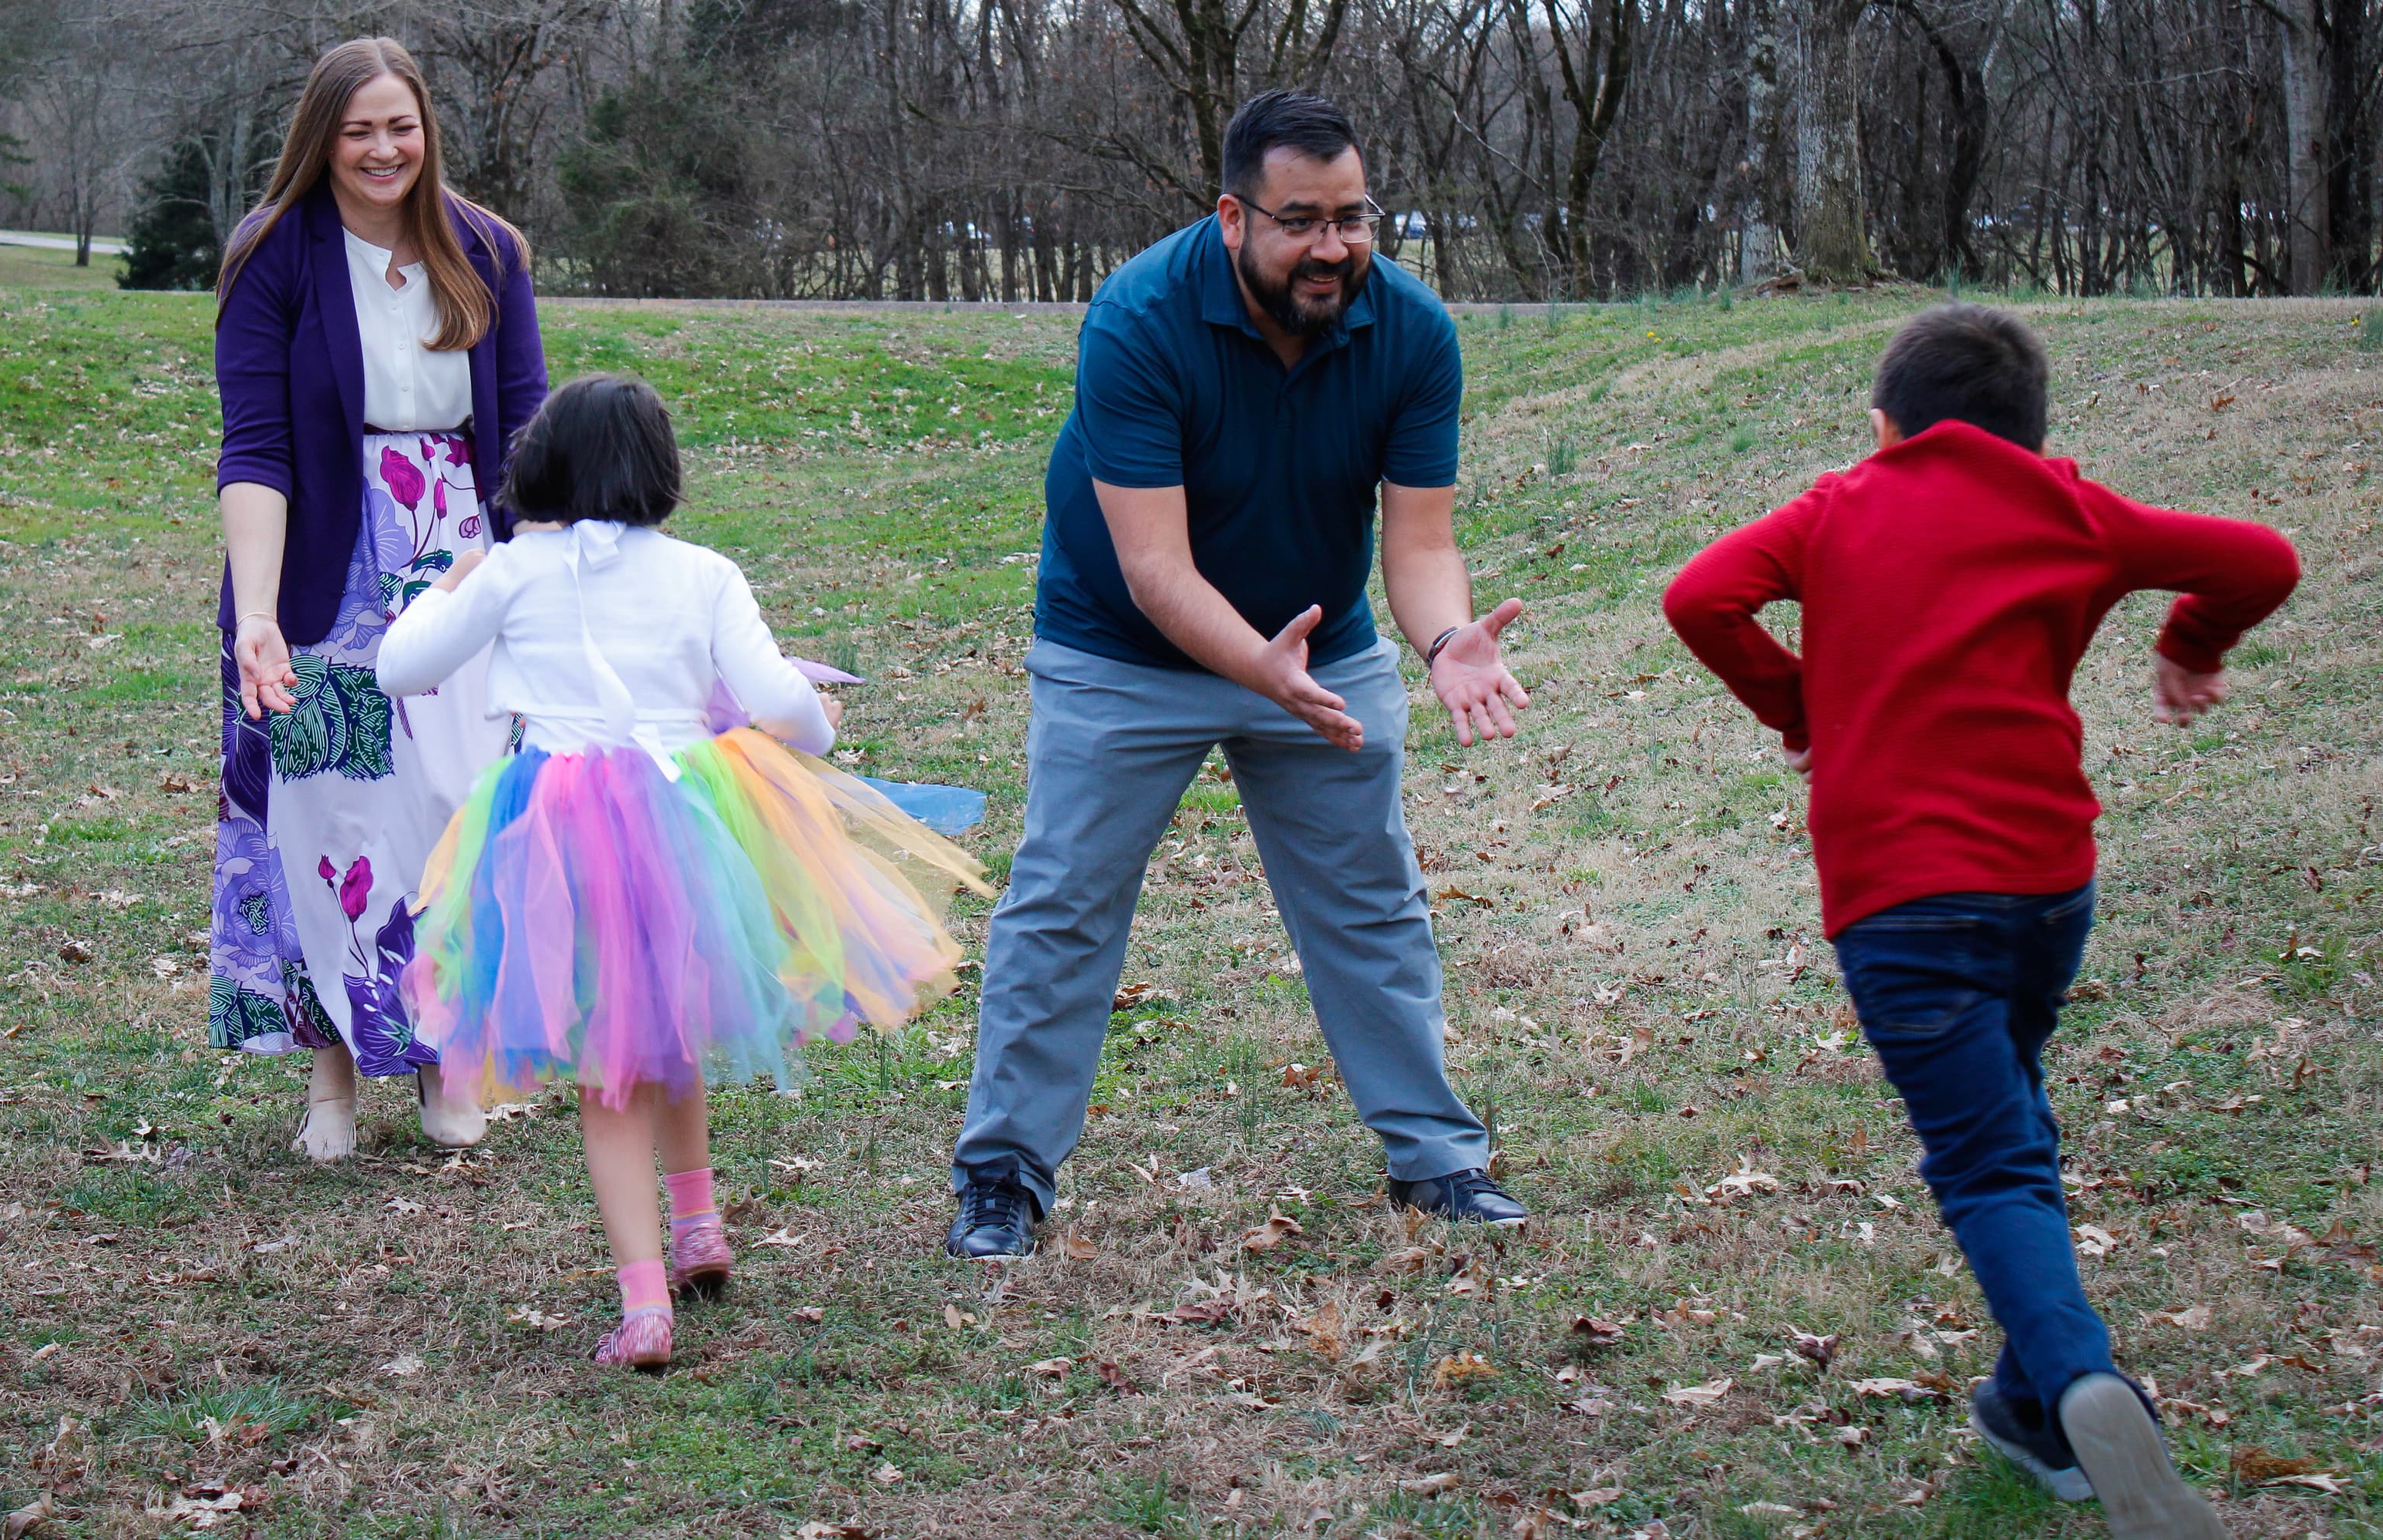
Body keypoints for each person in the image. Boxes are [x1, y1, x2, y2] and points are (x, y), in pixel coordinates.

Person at [1663, 304, 2297, 1540]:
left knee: (1986, 1158)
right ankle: (2025, 1411)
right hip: (2048, 883)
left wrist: (1801, 707)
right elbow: (2262, 558)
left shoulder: (1841, 506)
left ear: (1886, 427)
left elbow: (1701, 598)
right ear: (2027, 432)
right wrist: (2189, 640)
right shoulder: (2074, 510)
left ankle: (2079, 1386)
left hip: (1903, 899)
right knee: (2010, 1109)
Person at [947, 89, 1533, 1262]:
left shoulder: (1413, 333)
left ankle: (1437, 1158)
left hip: (1322, 652)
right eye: (1302, 220)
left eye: (1354, 217)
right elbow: (1155, 567)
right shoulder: (1138, 318)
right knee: (1063, 901)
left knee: (1370, 900)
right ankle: (1005, 1174)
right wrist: (1254, 669)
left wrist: (1442, 640)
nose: (1334, 247)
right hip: (1122, 651)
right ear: (1233, 217)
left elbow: (1418, 544)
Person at [376, 375, 971, 1373]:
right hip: (685, 816)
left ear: (545, 464)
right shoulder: (703, 573)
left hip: (556, 829)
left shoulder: (514, 570)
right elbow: (783, 699)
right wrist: (816, 728)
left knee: (613, 1067)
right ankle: (696, 1225)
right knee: (673, 1019)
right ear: (658, 470)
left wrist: (448, 585)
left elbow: (401, 667)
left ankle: (647, 1301)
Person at [210, 37, 547, 1161]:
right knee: (330, 819)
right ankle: (333, 1086)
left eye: (399, 125)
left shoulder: (486, 248)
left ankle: (453, 1059)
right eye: (358, 129)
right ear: (323, 137)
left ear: (427, 129)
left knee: (458, 806)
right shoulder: (276, 255)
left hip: (457, 551)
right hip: (323, 567)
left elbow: (531, 434)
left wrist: (530, 573)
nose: (382, 148)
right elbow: (254, 446)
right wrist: (258, 614)